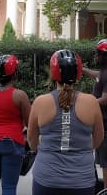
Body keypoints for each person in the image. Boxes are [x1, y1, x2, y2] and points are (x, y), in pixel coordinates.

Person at [27, 49, 104, 195]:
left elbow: (32, 141)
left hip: (46, 180)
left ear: (53, 73)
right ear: (78, 74)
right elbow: (99, 138)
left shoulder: (40, 102)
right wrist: (82, 149)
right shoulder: (91, 102)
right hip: (81, 181)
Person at [0, 54, 31, 195]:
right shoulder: (20, 95)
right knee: (9, 187)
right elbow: (29, 123)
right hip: (12, 142)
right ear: (15, 73)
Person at [83, 38, 107, 188]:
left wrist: (86, 103)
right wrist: (84, 70)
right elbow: (97, 75)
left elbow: (105, 99)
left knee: (106, 163)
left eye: (98, 53)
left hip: (106, 125)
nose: (96, 56)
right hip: (102, 123)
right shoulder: (104, 71)